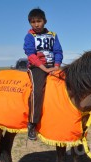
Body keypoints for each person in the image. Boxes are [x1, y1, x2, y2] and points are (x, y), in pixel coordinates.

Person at [23, 8, 63, 140]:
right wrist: (44, 69)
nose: (36, 24)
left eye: (38, 21)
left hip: (53, 66)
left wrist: (56, 66)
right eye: (33, 22)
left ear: (44, 21)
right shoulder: (30, 36)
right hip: (37, 68)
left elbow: (58, 51)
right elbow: (30, 54)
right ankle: (32, 124)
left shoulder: (53, 35)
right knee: (37, 91)